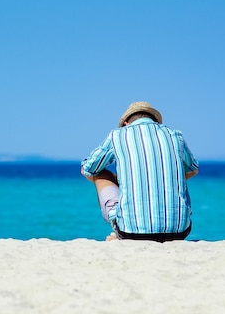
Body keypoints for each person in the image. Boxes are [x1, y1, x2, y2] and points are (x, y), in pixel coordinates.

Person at [81, 101, 199, 242]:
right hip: (179, 231)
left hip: (130, 232)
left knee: (100, 174)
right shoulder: (175, 136)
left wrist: (121, 181)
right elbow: (193, 169)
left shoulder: (117, 135)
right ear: (155, 121)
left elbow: (89, 169)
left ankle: (119, 231)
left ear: (126, 123)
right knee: (177, 176)